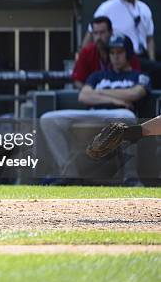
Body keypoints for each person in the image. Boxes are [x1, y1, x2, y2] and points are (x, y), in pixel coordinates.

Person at [40, 34, 149, 185]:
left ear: (128, 54)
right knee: (48, 119)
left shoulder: (139, 76)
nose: (115, 57)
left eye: (120, 52)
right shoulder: (98, 76)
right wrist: (115, 99)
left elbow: (134, 93)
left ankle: (130, 176)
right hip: (92, 113)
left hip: (118, 115)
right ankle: (69, 175)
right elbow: (84, 96)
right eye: (112, 53)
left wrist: (98, 93)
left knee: (127, 116)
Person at [72, 16, 141, 88]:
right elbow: (78, 81)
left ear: (111, 32)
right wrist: (93, 95)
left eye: (102, 32)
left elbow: (136, 78)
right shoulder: (86, 52)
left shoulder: (125, 49)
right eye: (95, 33)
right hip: (94, 95)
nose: (98, 37)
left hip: (124, 92)